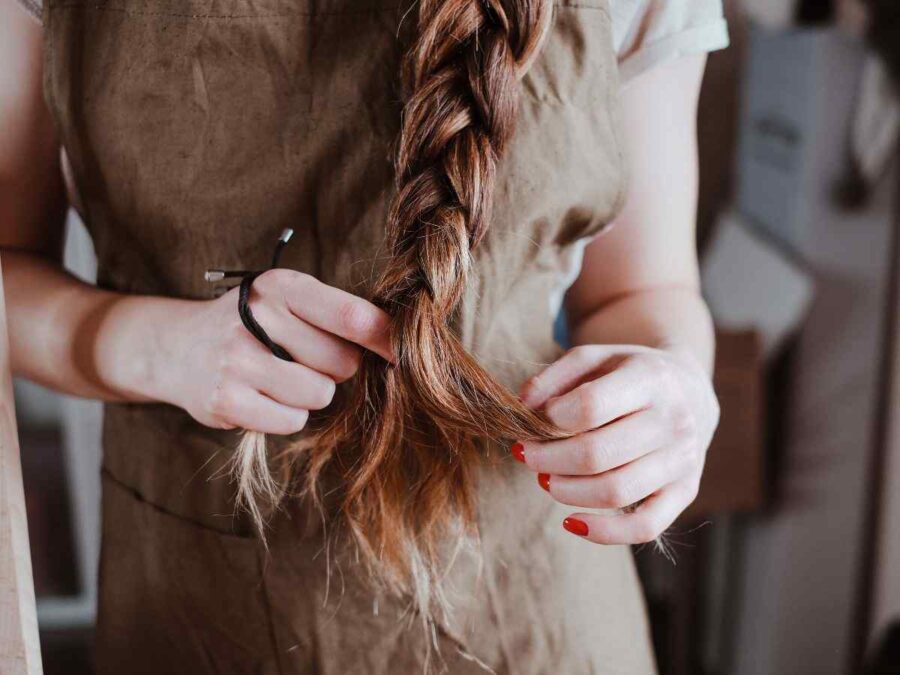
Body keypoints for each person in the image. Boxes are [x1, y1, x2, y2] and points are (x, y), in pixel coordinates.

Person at [0, 0, 728, 672]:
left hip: (534, 605)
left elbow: (645, 291)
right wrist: (147, 343)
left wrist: (679, 386)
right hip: (200, 604)